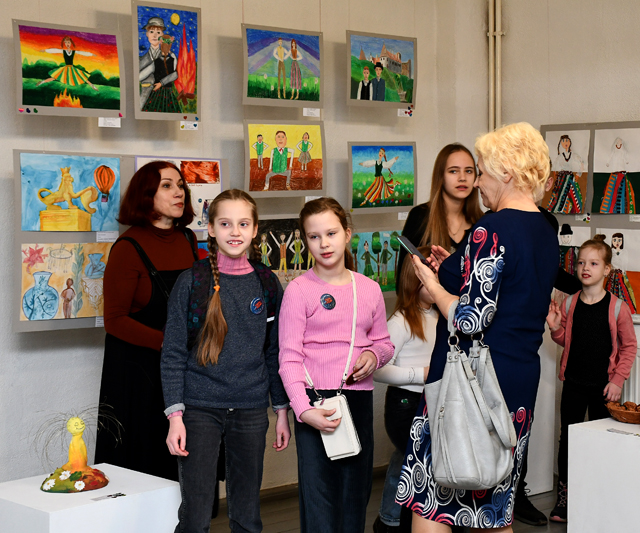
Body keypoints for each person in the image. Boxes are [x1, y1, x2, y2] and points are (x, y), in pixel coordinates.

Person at [399, 122, 559, 531]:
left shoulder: (493, 227)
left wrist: (434, 285)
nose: (476, 183)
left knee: (430, 502)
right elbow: (512, 292)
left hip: (469, 382)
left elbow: (471, 319)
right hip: (517, 379)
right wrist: (453, 269)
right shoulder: (545, 228)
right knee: (493, 506)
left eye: (482, 172)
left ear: (506, 172)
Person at [161, 189, 291, 532]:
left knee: (247, 514)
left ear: (255, 229)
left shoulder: (267, 283)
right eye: (225, 223)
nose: (235, 232)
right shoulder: (192, 282)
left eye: (243, 224)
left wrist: (281, 410)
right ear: (211, 228)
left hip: (251, 407)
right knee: (196, 513)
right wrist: (175, 416)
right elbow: (173, 353)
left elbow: (274, 351)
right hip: (199, 408)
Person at [279, 198, 394, 533]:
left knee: (354, 497)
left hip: (357, 401)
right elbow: (288, 358)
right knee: (320, 500)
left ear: (347, 233)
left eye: (331, 233)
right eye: (314, 236)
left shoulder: (369, 289)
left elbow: (384, 344)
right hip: (314, 403)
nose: (324, 243)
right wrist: (303, 410)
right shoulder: (298, 291)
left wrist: (374, 356)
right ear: (305, 241)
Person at [97, 161, 197, 482]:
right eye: (167, 185)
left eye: (180, 185)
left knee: (185, 459)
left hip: (181, 369)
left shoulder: (188, 239)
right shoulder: (127, 247)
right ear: (146, 194)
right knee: (143, 462)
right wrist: (168, 344)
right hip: (138, 374)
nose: (178, 192)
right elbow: (114, 320)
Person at [546, 235, 638, 523]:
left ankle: (601, 496)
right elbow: (566, 340)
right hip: (573, 383)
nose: (586, 268)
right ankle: (565, 497)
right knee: (568, 440)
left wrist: (617, 380)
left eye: (594, 263)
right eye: (581, 263)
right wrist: (555, 329)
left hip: (604, 389)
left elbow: (629, 347)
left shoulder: (618, 308)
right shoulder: (570, 303)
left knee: (602, 443)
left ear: (607, 269)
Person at [372, 246, 436, 533]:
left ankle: (399, 520)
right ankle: (390, 521)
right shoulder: (400, 321)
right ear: (415, 279)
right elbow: (378, 370)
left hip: (431, 401)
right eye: (430, 277)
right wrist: (420, 375)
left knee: (410, 460)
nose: (436, 283)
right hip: (405, 405)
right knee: (408, 459)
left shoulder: (440, 316)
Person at [396, 143, 483, 294]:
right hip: (427, 307)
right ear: (440, 176)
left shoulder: (483, 223)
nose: (462, 178)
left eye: (469, 171)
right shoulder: (420, 216)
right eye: (453, 171)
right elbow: (403, 282)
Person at [546, 134, 585, 214]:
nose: (565, 143)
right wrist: (556, 176)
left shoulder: (574, 155)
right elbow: (554, 167)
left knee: (575, 196)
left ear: (570, 142)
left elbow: (581, 163)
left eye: (567, 140)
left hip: (570, 177)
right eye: (563, 141)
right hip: (561, 178)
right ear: (561, 143)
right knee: (559, 195)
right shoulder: (560, 156)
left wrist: (578, 175)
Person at [599, 137, 636, 214]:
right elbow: (610, 155)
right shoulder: (614, 149)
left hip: (621, 167)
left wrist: (627, 161)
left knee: (621, 188)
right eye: (619, 141)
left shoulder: (623, 149)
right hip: (615, 167)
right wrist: (608, 162)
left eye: (621, 141)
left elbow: (625, 155)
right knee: (613, 189)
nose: (620, 142)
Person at [605, 232, 637, 314]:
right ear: (612, 241)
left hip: (621, 275)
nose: (617, 242)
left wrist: (623, 273)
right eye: (614, 240)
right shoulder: (611, 252)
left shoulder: (624, 252)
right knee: (610, 291)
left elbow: (625, 264)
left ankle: (623, 310)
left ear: (622, 241)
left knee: (624, 291)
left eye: (619, 240)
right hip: (612, 274)